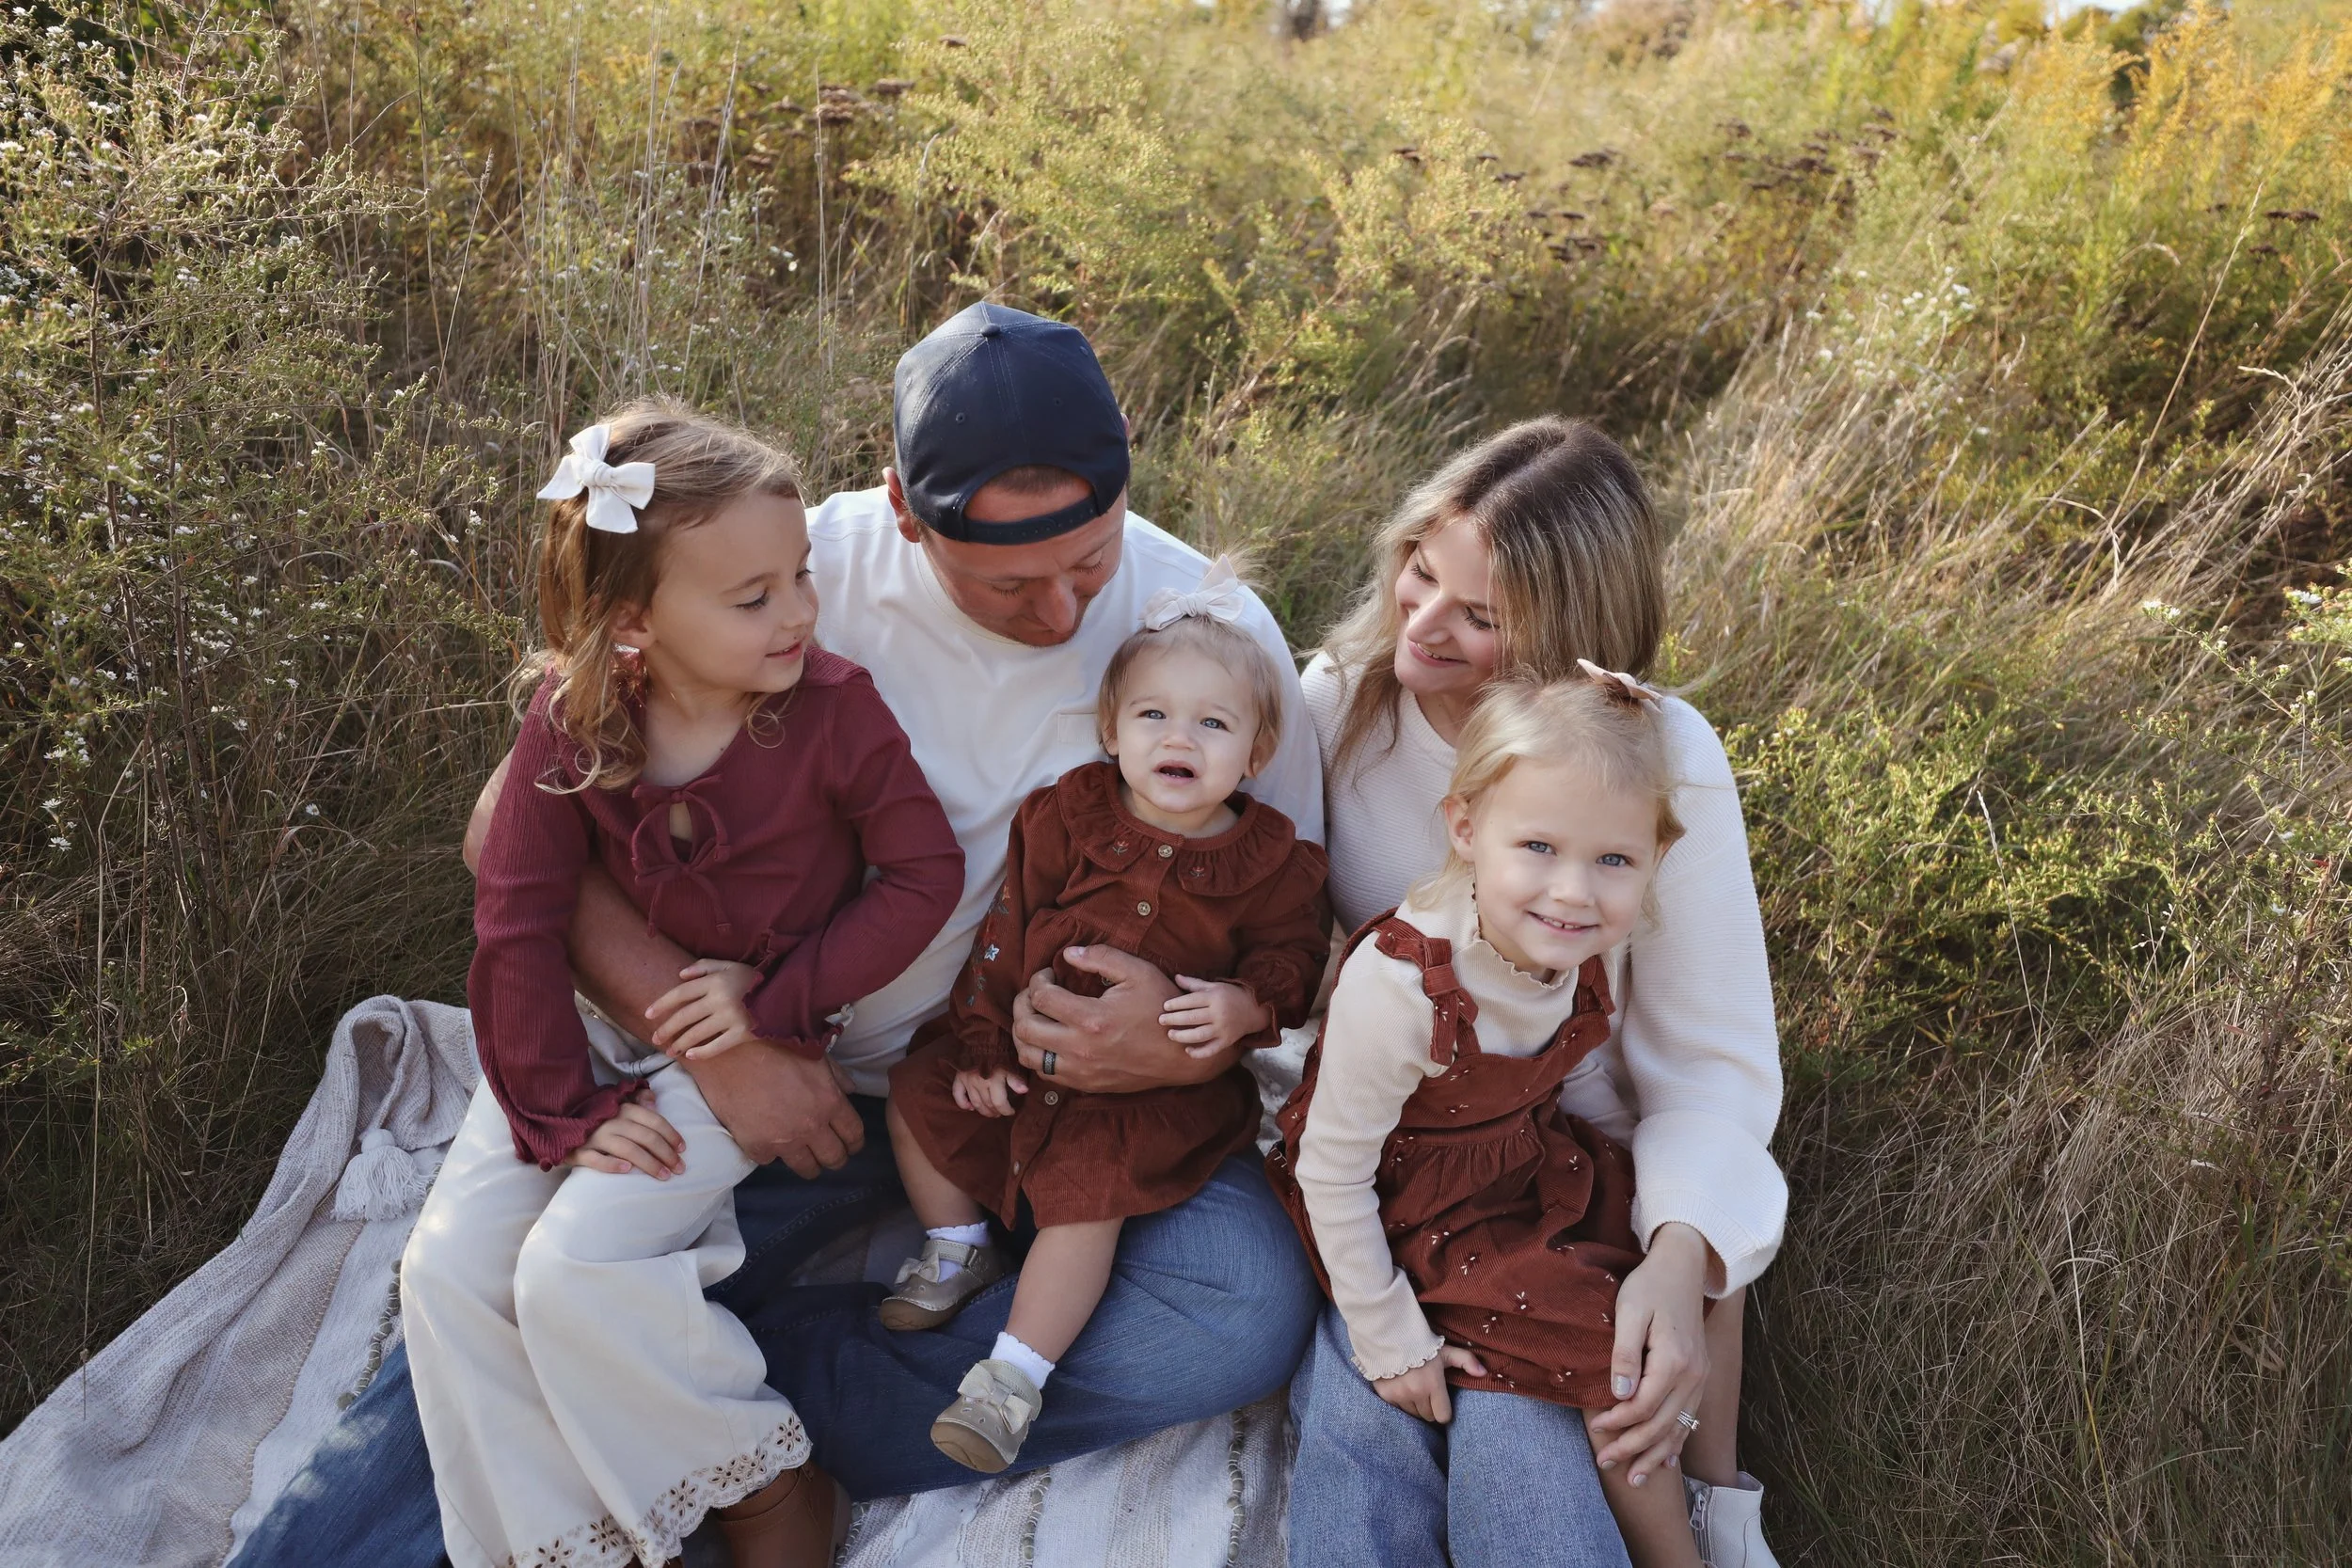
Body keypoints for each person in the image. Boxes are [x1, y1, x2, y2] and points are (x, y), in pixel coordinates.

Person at [229, 303, 1343, 1568]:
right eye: (1007, 582)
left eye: (1086, 564)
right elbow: (514, 838)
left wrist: (1186, 1044)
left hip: (1038, 1095)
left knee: (1239, 1308)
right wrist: (715, 1043)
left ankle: (712, 1410)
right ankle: (649, 1413)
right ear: (904, 512)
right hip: (786, 1080)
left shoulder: (1211, 631)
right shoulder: (790, 575)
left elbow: (1280, 918)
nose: (1057, 614)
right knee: (500, 1287)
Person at [400, 404, 964, 1568]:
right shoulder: (569, 722)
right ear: (630, 623)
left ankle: (767, 1483)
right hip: (593, 1044)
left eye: (801, 575)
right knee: (447, 1269)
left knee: (573, 1271)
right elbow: (514, 916)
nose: (800, 611)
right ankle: (563, 1540)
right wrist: (561, 1113)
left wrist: (776, 1000)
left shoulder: (833, 713)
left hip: (745, 1041)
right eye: (753, 597)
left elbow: (922, 874)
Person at [1297, 416, 1786, 1568]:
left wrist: (1676, 1253)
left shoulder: (1656, 756)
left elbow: (1712, 1058)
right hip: (1408, 1154)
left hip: (1595, 1180)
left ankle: (1712, 1518)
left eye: (1480, 613)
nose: (1422, 626)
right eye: (1421, 570)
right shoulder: (1336, 705)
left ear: (1567, 633)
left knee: (1536, 1446)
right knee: (1366, 1437)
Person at [883, 560, 1330, 1472]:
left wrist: (1245, 1004)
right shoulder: (1065, 816)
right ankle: (955, 1243)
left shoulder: (1276, 864)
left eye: (1213, 722)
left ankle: (1010, 1379)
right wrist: (977, 1043)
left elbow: (1292, 963)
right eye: (1154, 714)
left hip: (1142, 1102)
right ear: (1112, 729)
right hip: (1023, 1056)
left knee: (1088, 1197)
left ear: (1256, 749)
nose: (1181, 736)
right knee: (916, 1089)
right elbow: (1006, 928)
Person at [1271, 670, 1703, 1568]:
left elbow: (1560, 1075)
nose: (1575, 890)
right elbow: (1330, 1169)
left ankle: (1699, 1521)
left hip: (1515, 1166)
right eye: (1538, 846)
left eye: (1614, 860)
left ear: (1655, 857)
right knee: (1592, 1341)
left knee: (1657, 1294)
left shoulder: (1576, 942)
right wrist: (1387, 1335)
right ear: (1467, 829)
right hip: (1404, 1203)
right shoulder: (1403, 986)